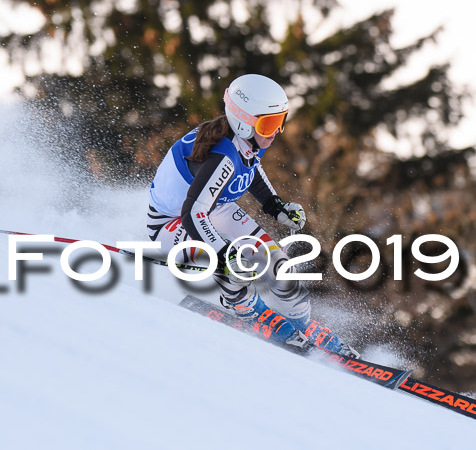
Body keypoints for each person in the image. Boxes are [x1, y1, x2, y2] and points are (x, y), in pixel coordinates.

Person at [147, 73, 358, 357]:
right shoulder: (221, 157)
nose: (275, 131)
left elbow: (252, 172)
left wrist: (276, 207)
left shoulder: (245, 142)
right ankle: (244, 306)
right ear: (243, 121)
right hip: (171, 224)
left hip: (214, 209)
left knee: (277, 262)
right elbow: (191, 213)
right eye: (268, 124)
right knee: (238, 262)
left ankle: (302, 325)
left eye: (280, 121)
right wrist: (223, 252)